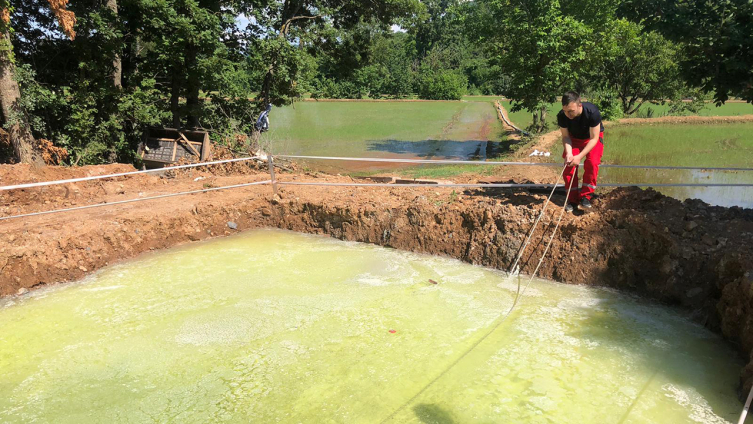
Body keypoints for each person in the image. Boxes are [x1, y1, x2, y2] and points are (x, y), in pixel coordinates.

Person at [557, 91, 605, 212]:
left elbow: (594, 138)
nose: (568, 114)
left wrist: (579, 156)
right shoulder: (562, 116)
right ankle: (572, 199)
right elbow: (565, 137)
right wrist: (569, 153)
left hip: (591, 138)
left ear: (580, 105)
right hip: (574, 139)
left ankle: (586, 197)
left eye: (571, 111)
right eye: (565, 111)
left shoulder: (592, 113)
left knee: (592, 163)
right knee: (569, 166)